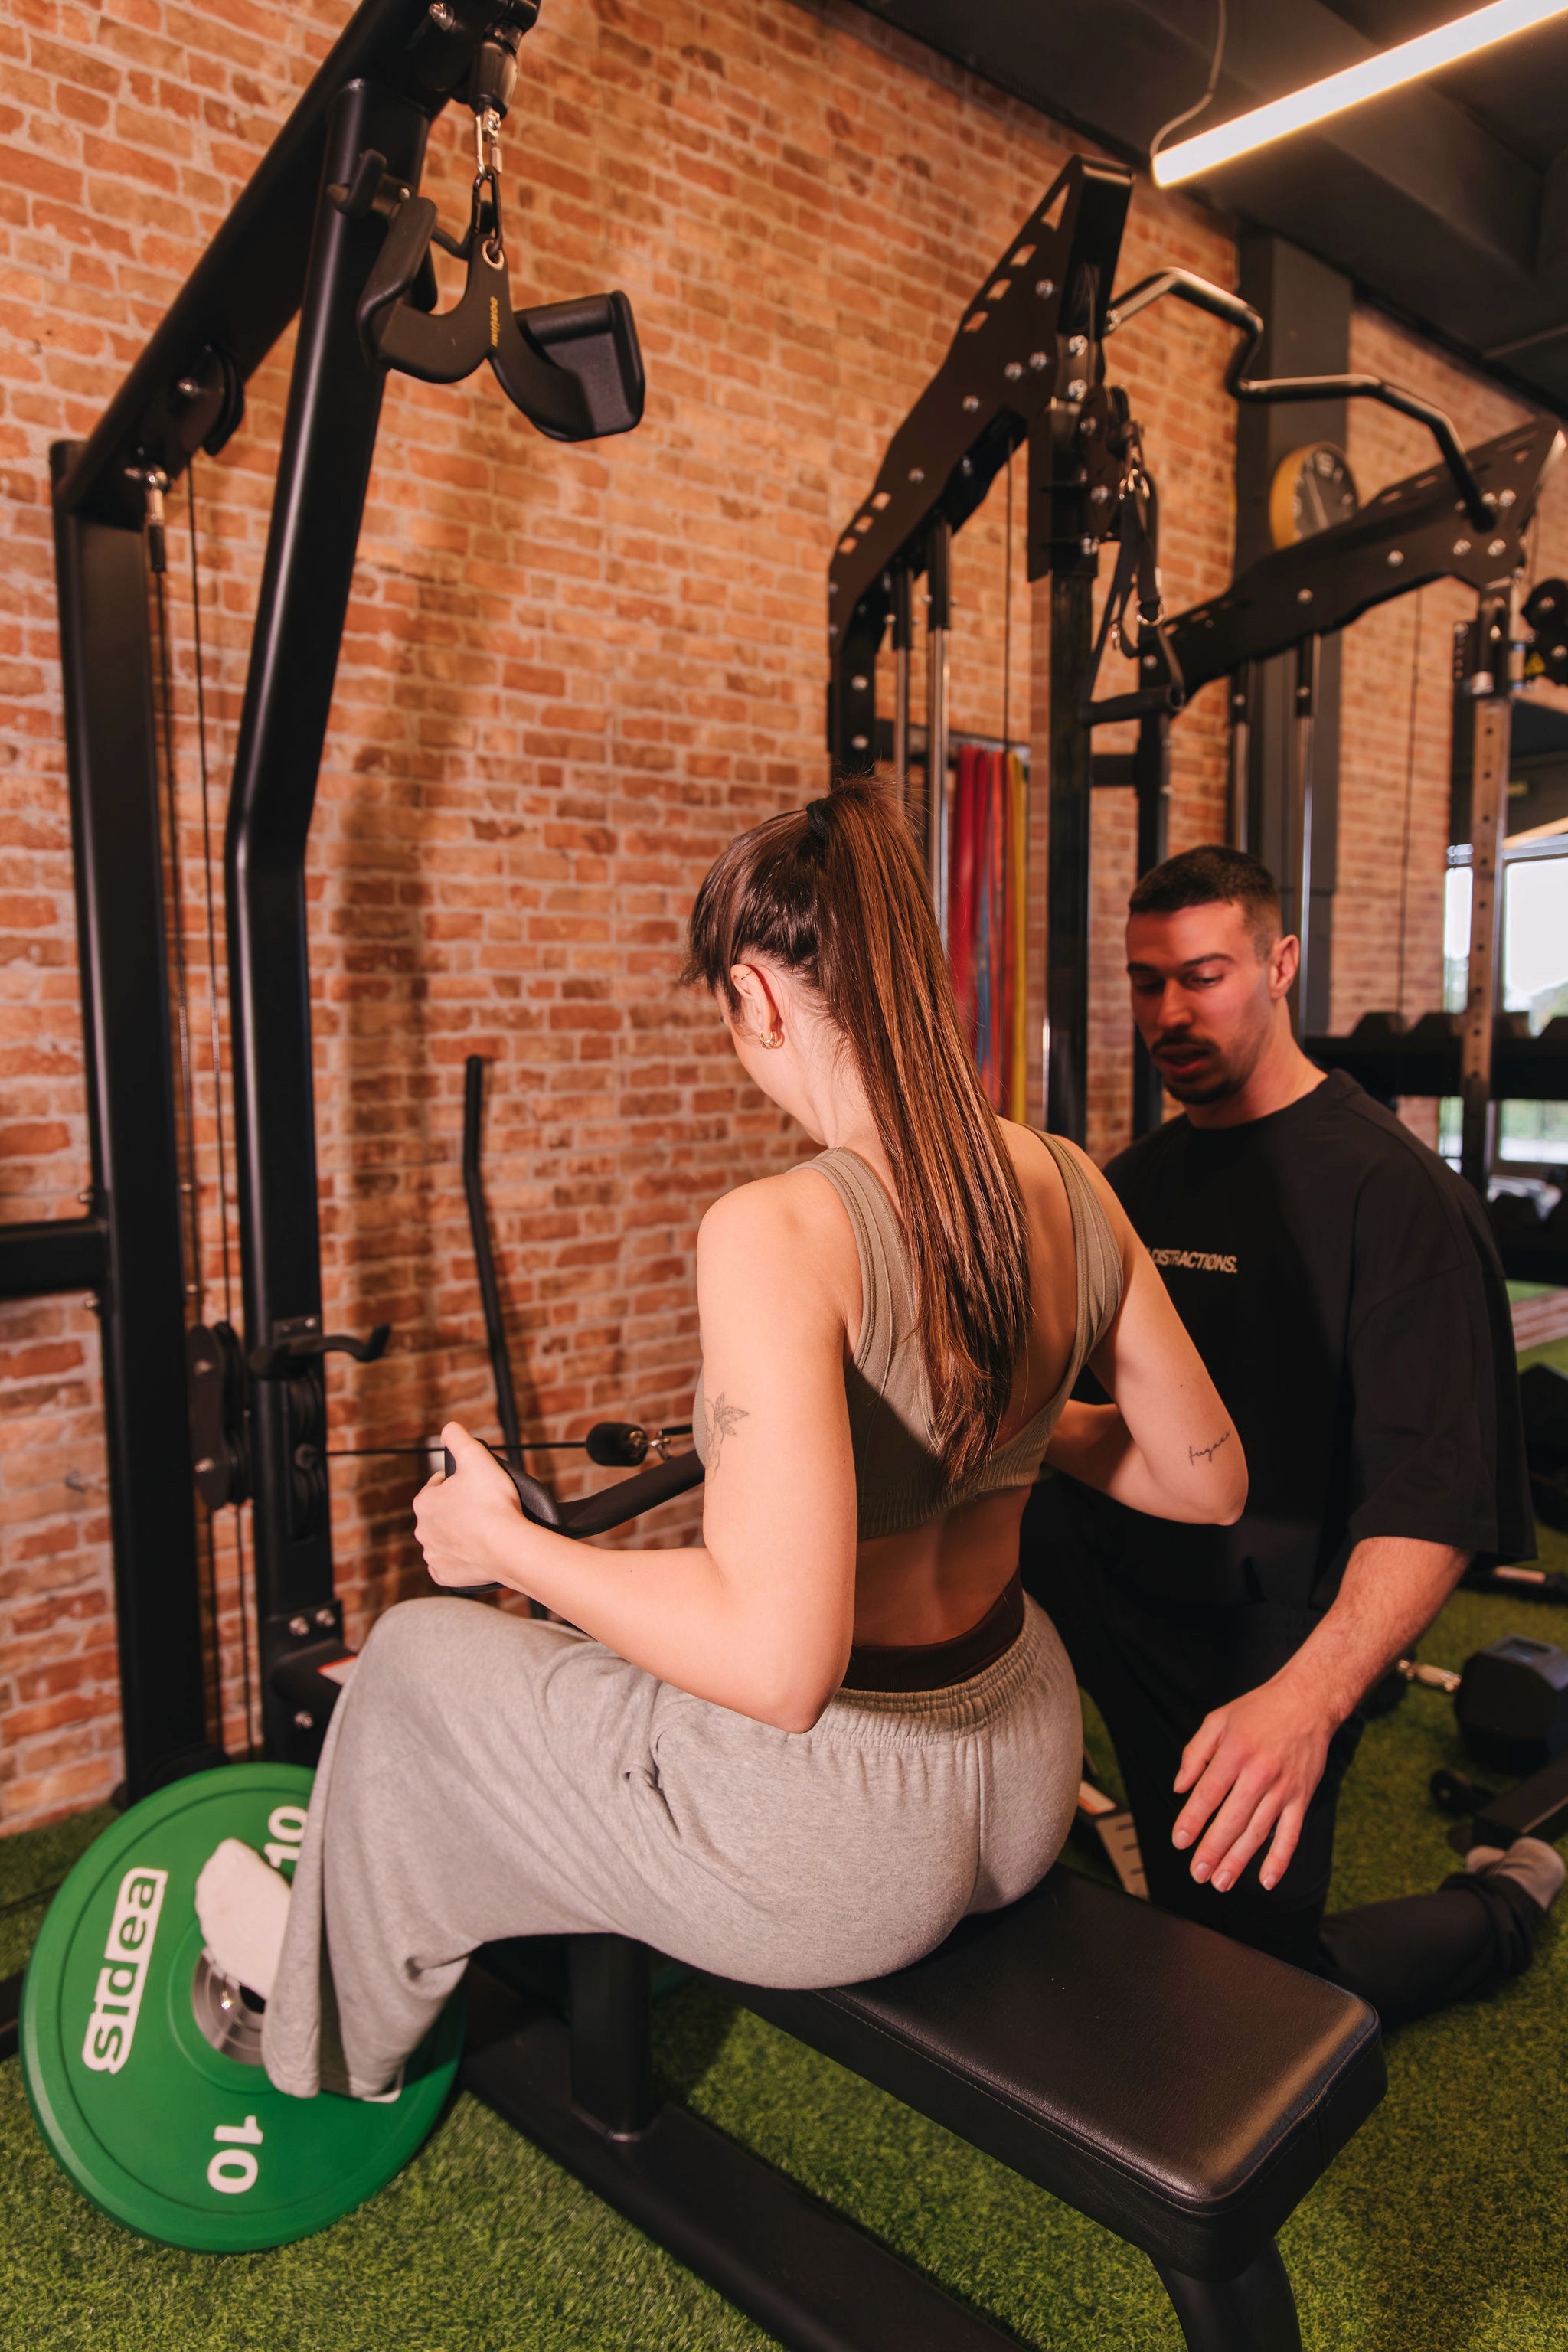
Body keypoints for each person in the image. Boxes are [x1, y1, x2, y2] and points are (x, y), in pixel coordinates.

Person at [194, 781, 1243, 2099]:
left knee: (411, 1658)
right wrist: (1005, 1423)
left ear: (755, 993)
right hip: (1025, 1772)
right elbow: (1208, 1482)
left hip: (842, 1847)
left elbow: (780, 1665)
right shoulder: (1071, 1177)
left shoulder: (777, 1230)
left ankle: (321, 2017)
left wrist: (502, 1538)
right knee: (610, 1652)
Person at [1024, 843, 1563, 2029]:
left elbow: (1434, 1500)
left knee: (1254, 2003)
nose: (1170, 1011)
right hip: (1113, 1565)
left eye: (1203, 976)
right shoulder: (1134, 1181)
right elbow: (1082, 1399)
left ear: (1281, 965)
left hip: (1262, 1635)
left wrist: (1306, 1700)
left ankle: (1503, 1907)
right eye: (1147, 981)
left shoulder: (1396, 1198)